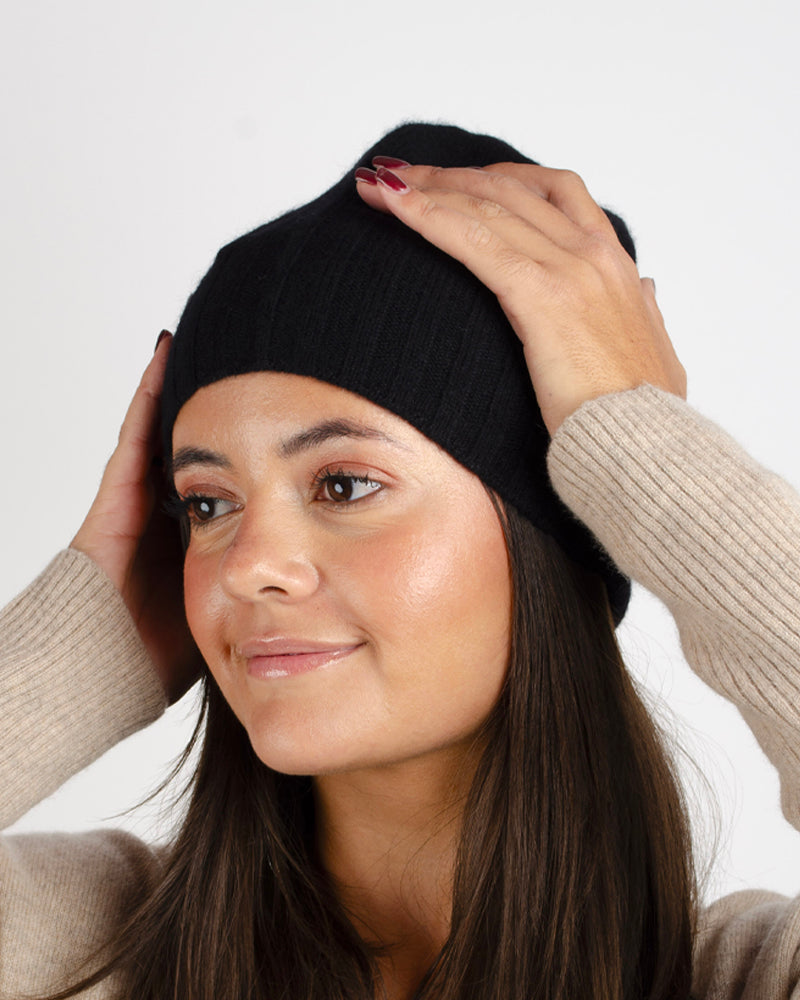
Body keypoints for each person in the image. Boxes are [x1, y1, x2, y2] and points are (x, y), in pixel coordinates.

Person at [1, 122, 799, 1000]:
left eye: (343, 485)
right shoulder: (84, 954)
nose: (244, 567)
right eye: (208, 505)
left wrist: (644, 443)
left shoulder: (746, 980)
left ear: (554, 529)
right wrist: (78, 649)